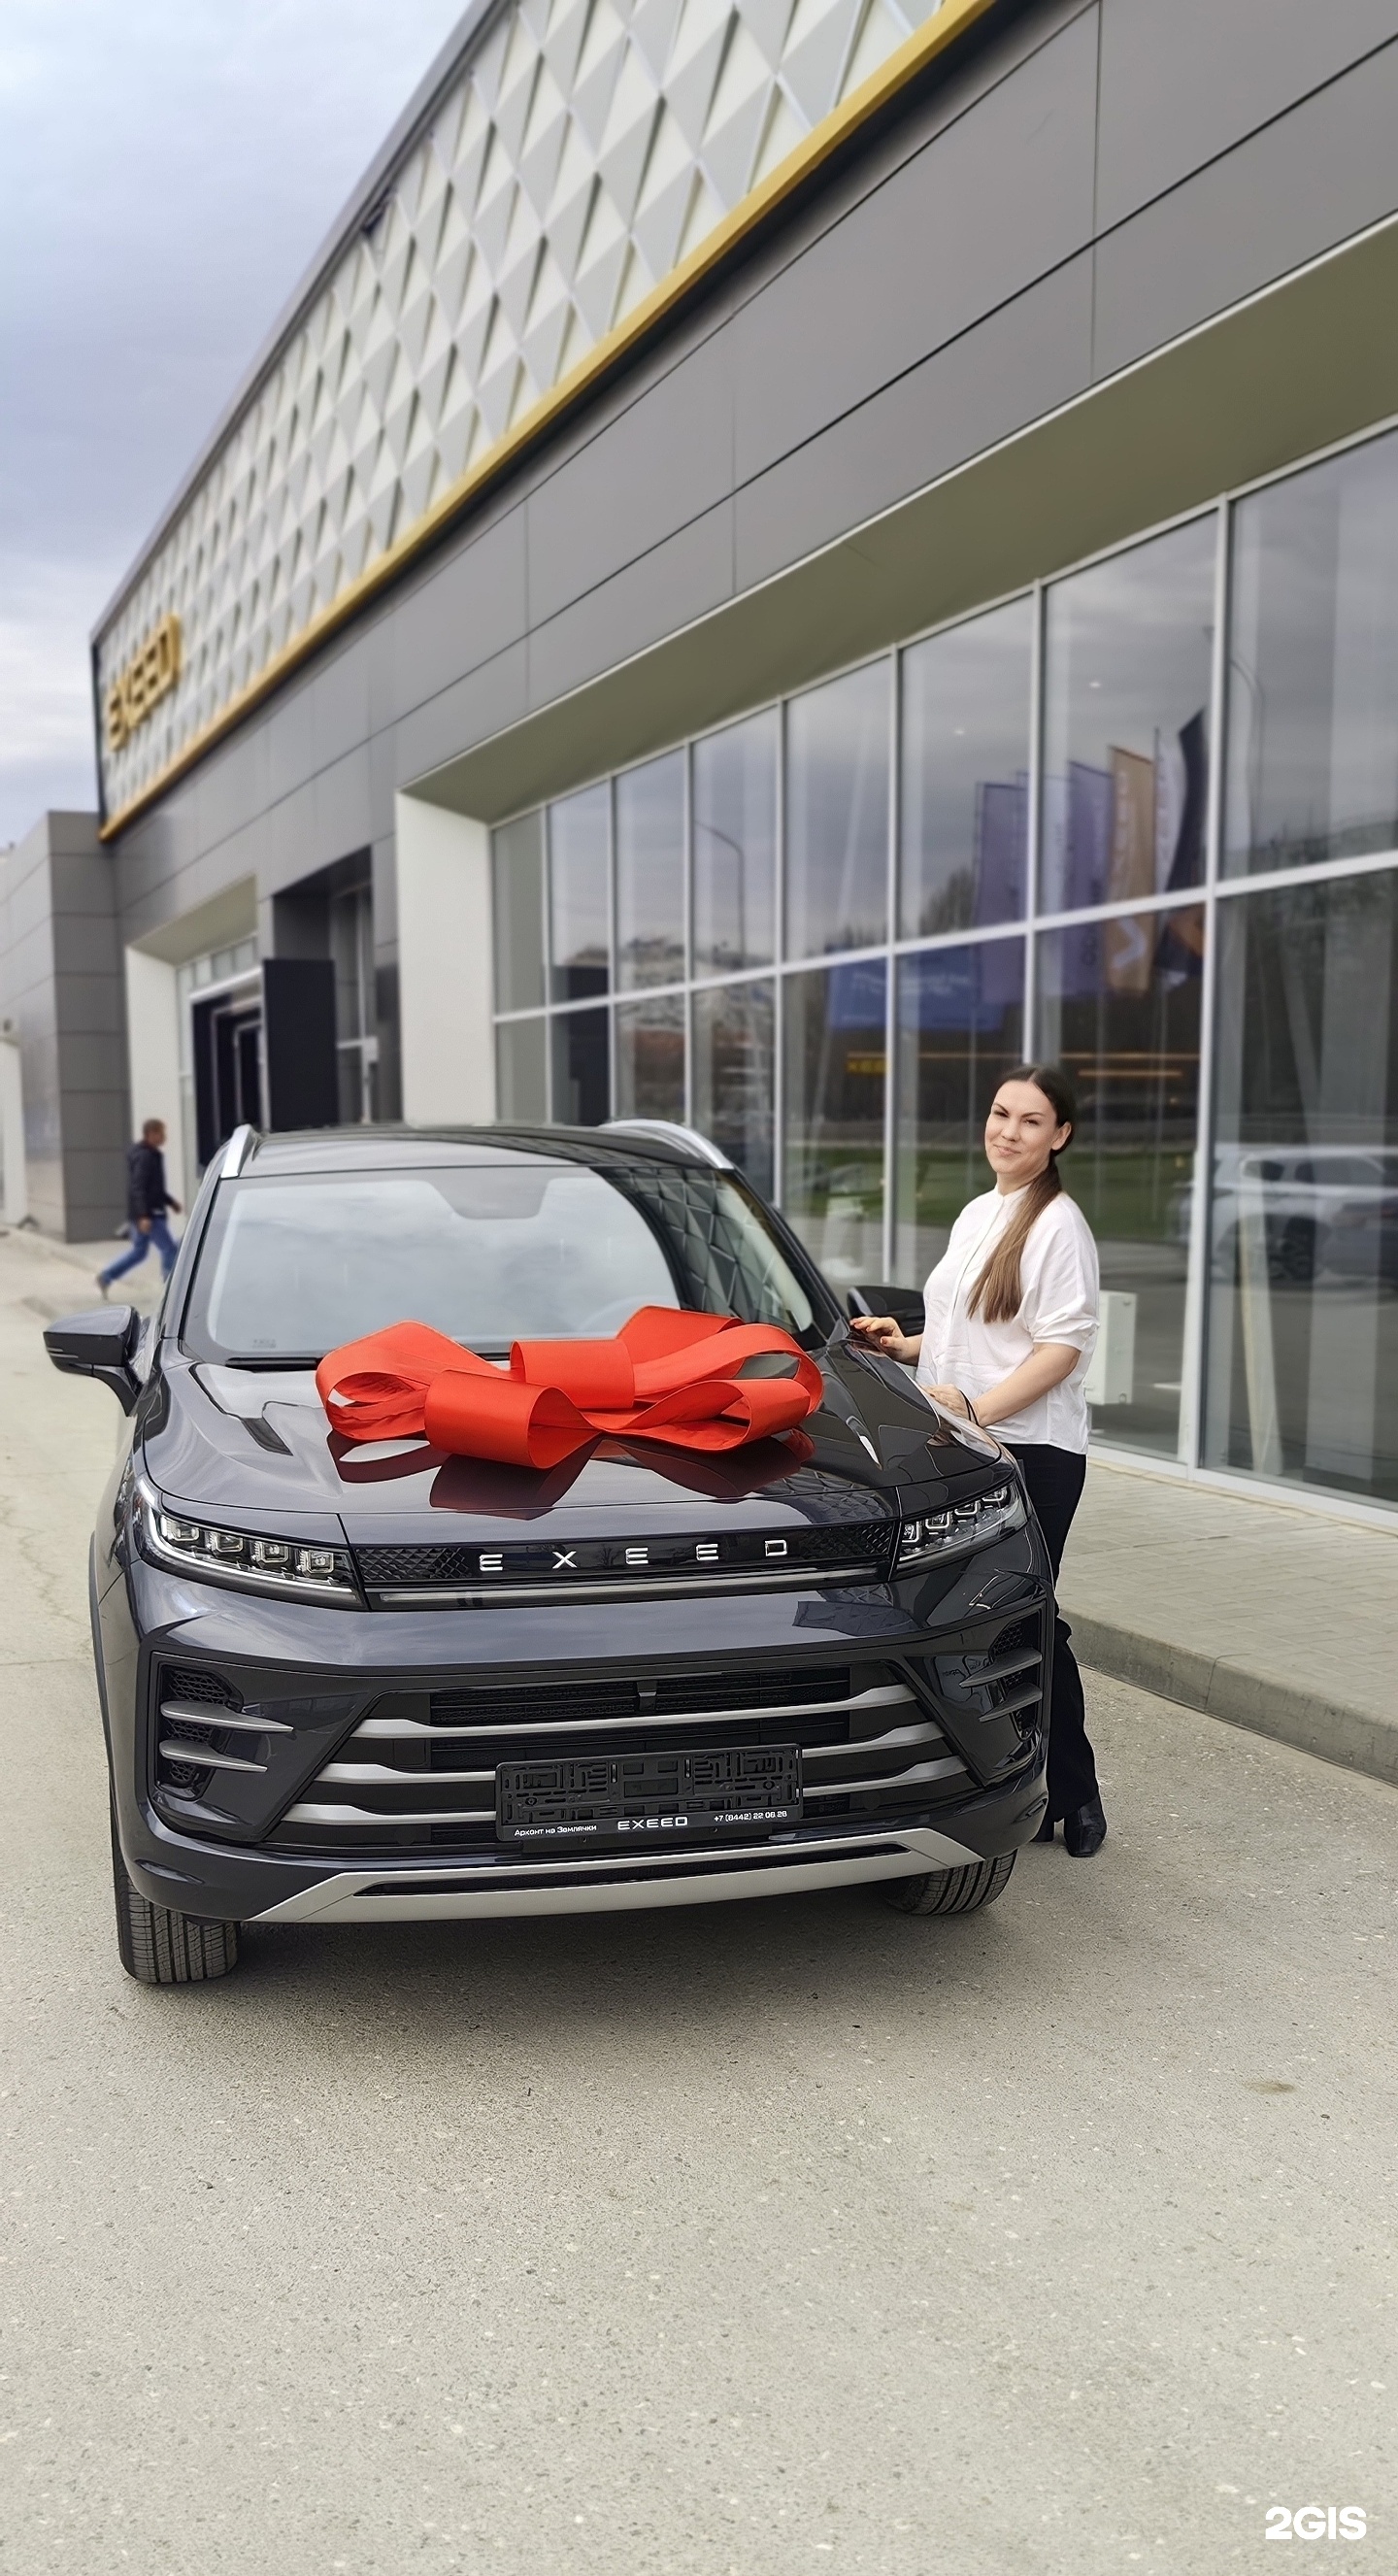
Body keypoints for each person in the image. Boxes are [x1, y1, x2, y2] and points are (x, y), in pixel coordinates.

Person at [850, 1062, 1106, 1857]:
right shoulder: (979, 1212)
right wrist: (907, 1345)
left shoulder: (1059, 1225)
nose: (1009, 1131)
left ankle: (1076, 1793)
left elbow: (1061, 1348)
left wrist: (976, 1410)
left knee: (1028, 1618)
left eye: (1031, 1120)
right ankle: (1028, 1784)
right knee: (989, 1620)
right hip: (967, 1443)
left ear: (1060, 1135)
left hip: (1032, 1450)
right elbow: (972, 1329)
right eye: (1001, 1113)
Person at [97, 1119, 183, 1298]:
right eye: (161, 1133)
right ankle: (171, 1290)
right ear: (151, 1134)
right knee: (169, 1249)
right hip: (149, 1215)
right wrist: (143, 1215)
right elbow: (138, 1187)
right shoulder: (145, 1157)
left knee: (139, 1253)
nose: (164, 1137)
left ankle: (106, 1277)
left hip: (145, 1213)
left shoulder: (152, 1154)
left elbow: (154, 1188)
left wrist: (170, 1202)